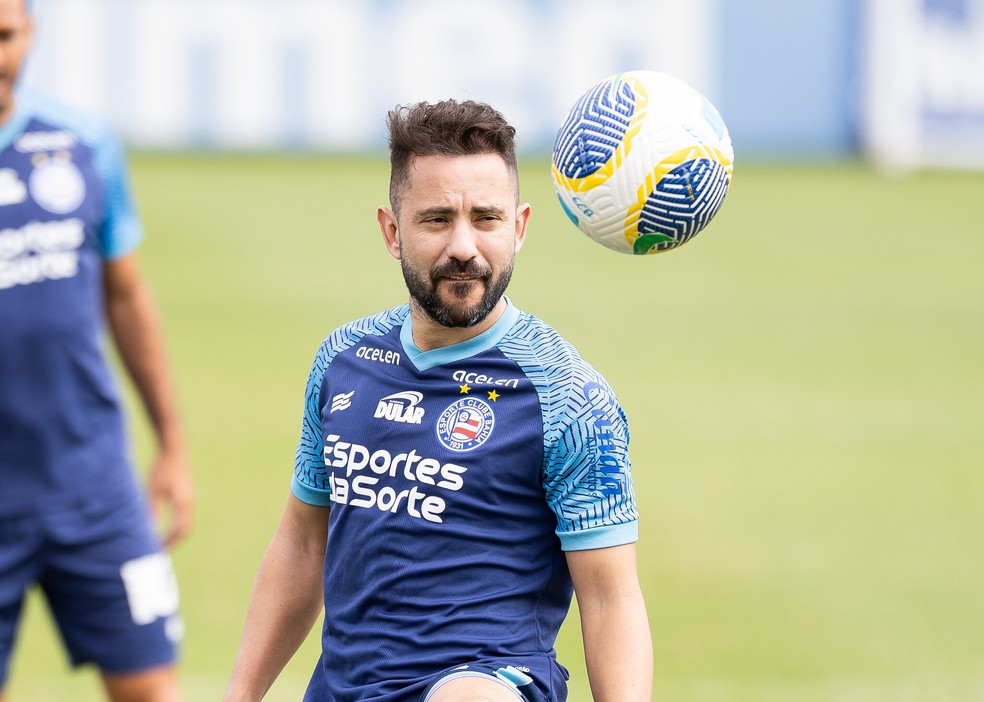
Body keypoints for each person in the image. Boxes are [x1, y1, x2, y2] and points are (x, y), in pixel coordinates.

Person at [223, 98, 652, 702]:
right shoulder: (343, 359)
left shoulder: (568, 396)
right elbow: (302, 543)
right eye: (436, 219)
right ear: (392, 231)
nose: (464, 246)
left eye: (486, 218)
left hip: (488, 680)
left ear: (519, 227)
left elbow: (611, 598)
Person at [0, 1, 194, 700]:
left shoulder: (82, 143)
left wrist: (171, 444)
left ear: (32, 34)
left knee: (152, 689)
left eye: (4, 36)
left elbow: (126, 297)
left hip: (94, 486)